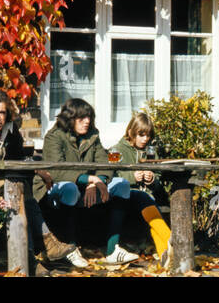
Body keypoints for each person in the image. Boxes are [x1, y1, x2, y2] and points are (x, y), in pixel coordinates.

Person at [0, 89, 78, 265]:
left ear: (7, 114)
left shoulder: (10, 131)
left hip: (1, 183)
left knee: (19, 190)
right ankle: (39, 251)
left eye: (1, 113)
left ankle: (39, 252)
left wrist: (37, 168)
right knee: (17, 190)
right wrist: (36, 170)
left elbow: (19, 157)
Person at [34, 98, 137, 265]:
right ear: (70, 119)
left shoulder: (93, 135)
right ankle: (71, 249)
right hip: (53, 188)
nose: (87, 121)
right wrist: (90, 179)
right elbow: (57, 171)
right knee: (69, 189)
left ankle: (113, 250)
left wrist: (97, 182)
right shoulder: (54, 136)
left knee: (122, 185)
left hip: (89, 187)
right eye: (81, 118)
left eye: (89, 117)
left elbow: (104, 163)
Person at [112, 112, 173, 267]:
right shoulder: (116, 150)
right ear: (131, 132)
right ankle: (171, 242)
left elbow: (158, 176)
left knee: (149, 207)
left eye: (148, 135)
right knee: (145, 202)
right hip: (125, 196)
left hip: (148, 198)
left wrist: (153, 179)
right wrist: (132, 177)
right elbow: (111, 173)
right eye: (141, 135)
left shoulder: (151, 151)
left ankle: (166, 255)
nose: (145, 139)